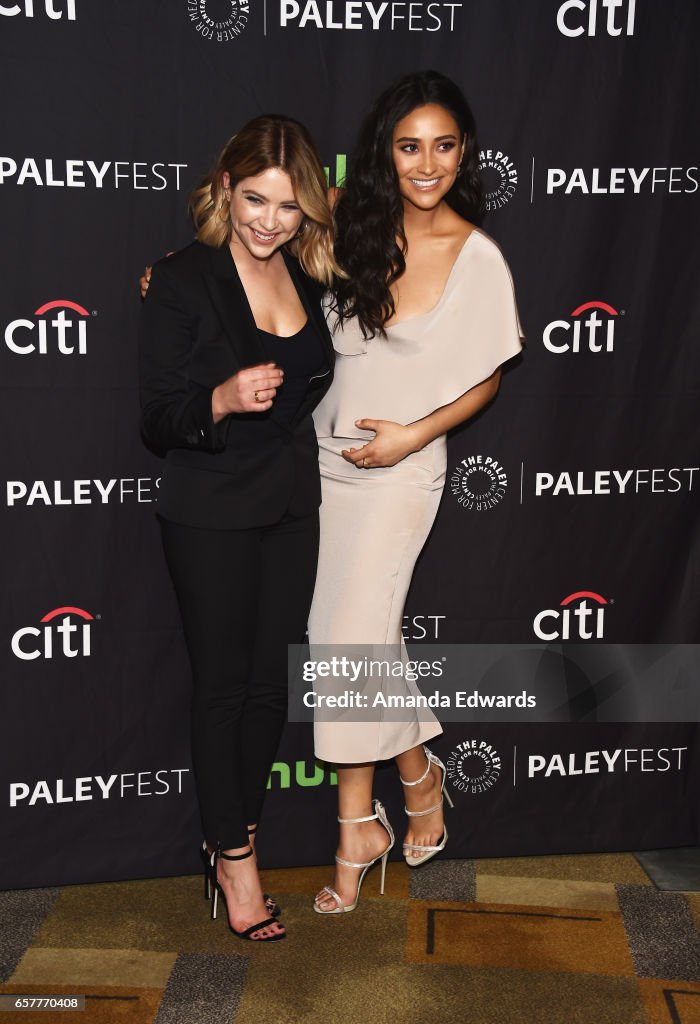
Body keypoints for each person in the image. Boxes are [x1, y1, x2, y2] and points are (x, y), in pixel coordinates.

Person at [309, 70, 523, 914]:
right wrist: (172, 279)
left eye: (442, 145)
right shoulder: (352, 221)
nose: (425, 163)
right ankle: (420, 775)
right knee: (367, 639)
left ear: (462, 150)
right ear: (384, 154)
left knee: (344, 645)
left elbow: (490, 382)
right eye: (408, 146)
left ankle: (355, 829)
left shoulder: (479, 257)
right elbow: (250, 216)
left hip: (400, 473)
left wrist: (412, 435)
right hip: (319, 463)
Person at [138, 115, 339, 940]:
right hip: (212, 510)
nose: (268, 221)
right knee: (224, 690)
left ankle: (238, 830)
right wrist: (218, 400)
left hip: (293, 508)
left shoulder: (311, 275)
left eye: (288, 207)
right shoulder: (183, 278)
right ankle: (232, 857)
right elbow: (156, 418)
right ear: (225, 188)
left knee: (268, 690)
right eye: (255, 199)